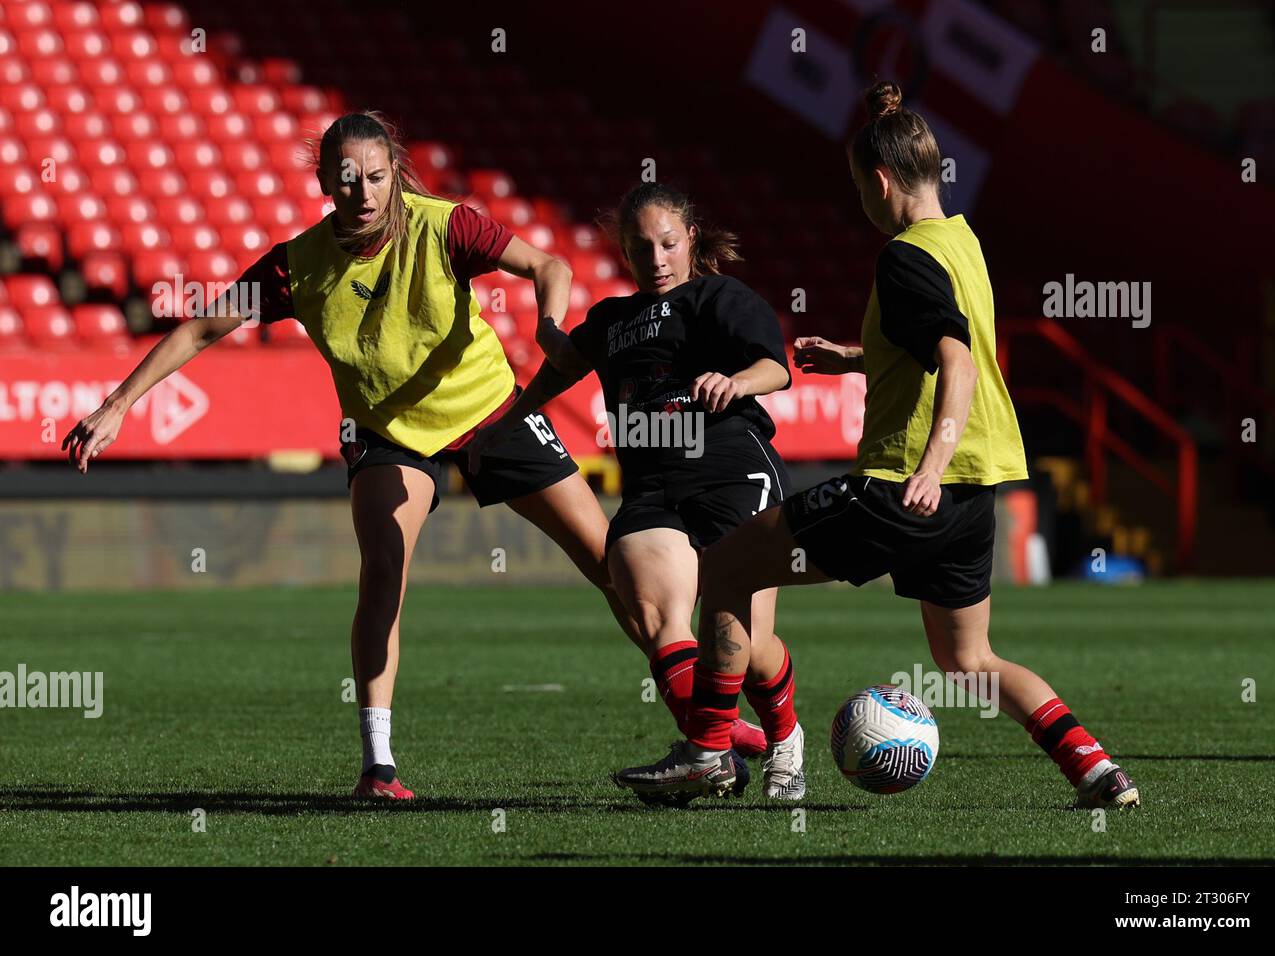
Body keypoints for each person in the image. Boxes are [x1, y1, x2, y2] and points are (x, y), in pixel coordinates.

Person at [62, 111, 639, 801]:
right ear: (324, 184)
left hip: (491, 410)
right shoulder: (296, 264)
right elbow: (201, 327)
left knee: (610, 561)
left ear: (393, 172)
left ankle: (706, 718)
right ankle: (379, 767)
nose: (363, 192)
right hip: (388, 431)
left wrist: (548, 327)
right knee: (383, 579)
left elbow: (549, 265)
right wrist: (119, 404)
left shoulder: (445, 223)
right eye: (346, 179)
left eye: (374, 176)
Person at [615, 82, 1141, 811]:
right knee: (968, 658)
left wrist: (925, 468)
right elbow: (947, 346)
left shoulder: (901, 258)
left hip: (904, 485)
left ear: (882, 181)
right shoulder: (962, 240)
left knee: (727, 568)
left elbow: (955, 363)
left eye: (860, 188)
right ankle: (1096, 770)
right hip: (973, 495)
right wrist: (862, 356)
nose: (861, 203)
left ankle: (707, 751)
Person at [471, 182, 805, 802]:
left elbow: (776, 367)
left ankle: (784, 738)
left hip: (732, 469)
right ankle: (712, 756)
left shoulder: (720, 297)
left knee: (748, 646)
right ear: (625, 252)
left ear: (691, 241)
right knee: (653, 610)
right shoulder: (611, 321)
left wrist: (733, 382)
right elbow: (562, 367)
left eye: (669, 243)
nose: (656, 258)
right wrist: (507, 423)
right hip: (653, 488)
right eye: (642, 247)